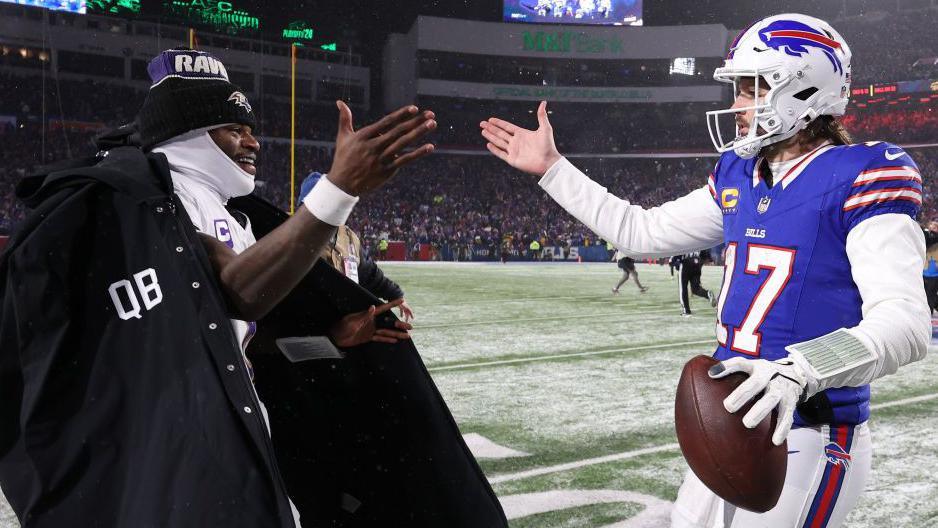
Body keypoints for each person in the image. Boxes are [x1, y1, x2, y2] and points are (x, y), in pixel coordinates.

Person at [480, 13, 929, 528]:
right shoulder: (740, 173)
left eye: (751, 89)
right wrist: (554, 171)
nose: (738, 105)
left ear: (804, 91)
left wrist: (798, 371)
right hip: (732, 423)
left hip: (809, 430)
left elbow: (906, 324)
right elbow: (639, 232)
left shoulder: (864, 174)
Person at [0, 47, 437, 527]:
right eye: (235, 129)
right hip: (173, 443)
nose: (253, 143)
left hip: (226, 427)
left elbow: (239, 335)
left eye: (252, 130)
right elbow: (234, 290)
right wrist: (339, 190)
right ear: (190, 132)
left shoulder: (232, 214)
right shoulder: (147, 199)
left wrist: (329, 339)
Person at [297, 171, 414, 322]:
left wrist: (396, 296)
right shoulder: (292, 240)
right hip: (309, 325)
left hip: (347, 325)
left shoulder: (348, 237)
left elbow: (369, 274)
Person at [677, 250, 716, 316]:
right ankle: (707, 294)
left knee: (683, 289)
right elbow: (704, 250)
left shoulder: (683, 240)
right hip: (697, 264)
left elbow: (676, 252)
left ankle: (686, 311)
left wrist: (674, 262)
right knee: (696, 289)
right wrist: (709, 259)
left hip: (685, 264)